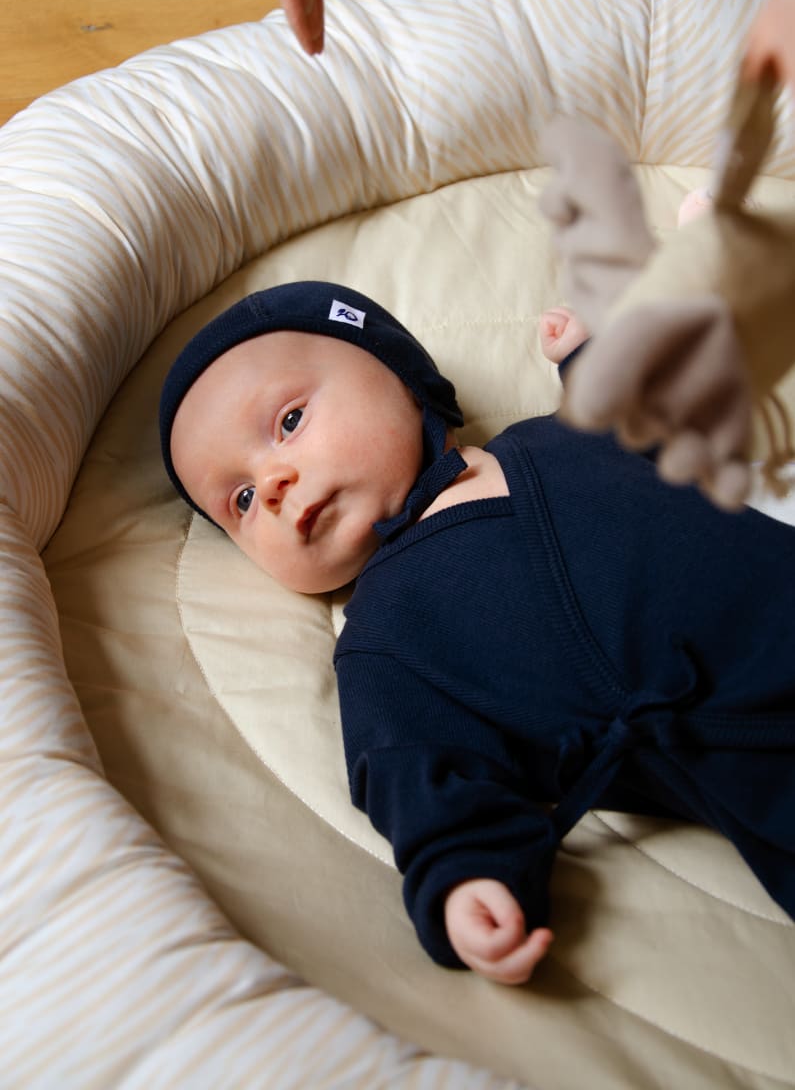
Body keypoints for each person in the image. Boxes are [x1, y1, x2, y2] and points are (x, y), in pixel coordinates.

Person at [159, 279, 795, 985]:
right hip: (756, 760)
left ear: (406, 382)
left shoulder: (557, 436)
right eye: (240, 499)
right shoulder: (386, 640)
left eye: (288, 421)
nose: (272, 483)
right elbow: (414, 772)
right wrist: (465, 875)